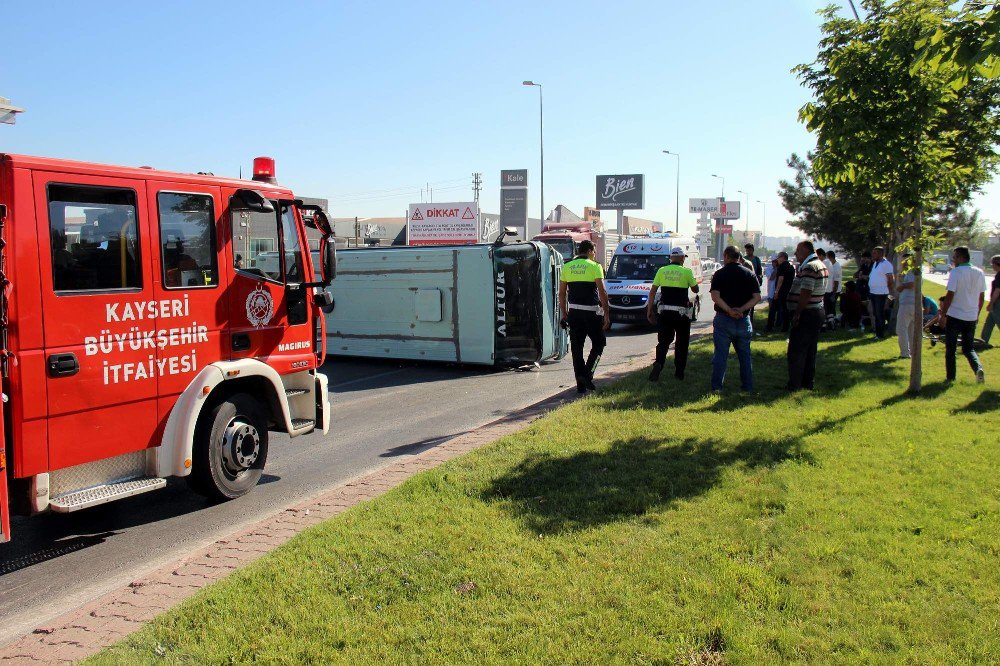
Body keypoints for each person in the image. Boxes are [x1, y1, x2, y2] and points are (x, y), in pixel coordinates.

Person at [559, 240, 610, 393]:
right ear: (589, 251)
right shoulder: (595, 266)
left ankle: (580, 385)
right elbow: (602, 292)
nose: (594, 255)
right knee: (599, 343)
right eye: (594, 252)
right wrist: (606, 314)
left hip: (574, 312)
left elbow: (562, 293)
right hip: (592, 313)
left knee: (577, 348)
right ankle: (588, 375)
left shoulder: (567, 267)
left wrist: (564, 313)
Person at [709, 246, 761, 392]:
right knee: (745, 356)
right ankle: (747, 387)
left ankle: (717, 387)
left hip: (724, 319)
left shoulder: (720, 274)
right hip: (743, 320)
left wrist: (728, 310)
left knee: (721, 355)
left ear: (726, 256)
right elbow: (757, 297)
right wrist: (742, 309)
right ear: (739, 257)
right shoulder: (750, 274)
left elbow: (715, 296)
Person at [646, 247, 699, 381]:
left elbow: (652, 292)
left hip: (664, 312)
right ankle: (679, 372)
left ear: (671, 258)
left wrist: (649, 311)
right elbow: (695, 289)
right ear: (682, 258)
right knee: (682, 343)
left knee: (663, 342)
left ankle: (659, 363)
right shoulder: (686, 271)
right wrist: (691, 283)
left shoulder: (662, 271)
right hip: (681, 314)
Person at [786, 240, 829, 391]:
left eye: (797, 251)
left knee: (797, 350)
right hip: (815, 311)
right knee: (810, 350)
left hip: (807, 313)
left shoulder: (810, 267)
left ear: (805, 250)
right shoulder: (818, 264)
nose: (796, 254)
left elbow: (806, 292)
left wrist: (797, 313)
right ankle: (807, 382)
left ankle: (795, 384)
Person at [939, 246, 987, 383]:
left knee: (951, 348)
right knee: (968, 348)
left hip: (955, 315)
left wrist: (943, 314)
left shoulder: (957, 272)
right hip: (971, 316)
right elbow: (981, 296)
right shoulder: (979, 272)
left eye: (954, 257)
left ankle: (950, 377)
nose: (953, 260)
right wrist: (977, 313)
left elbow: (950, 295)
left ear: (961, 258)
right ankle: (978, 368)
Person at [868, 246, 894, 339]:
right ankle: (877, 333)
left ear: (880, 254)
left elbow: (890, 280)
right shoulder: (875, 263)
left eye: (875, 253)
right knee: (875, 314)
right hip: (873, 293)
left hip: (881, 293)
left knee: (880, 314)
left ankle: (880, 334)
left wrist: (890, 295)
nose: (873, 255)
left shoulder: (886, 264)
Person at [895, 253, 917, 359]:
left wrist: (902, 286)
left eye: (905, 261)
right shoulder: (908, 272)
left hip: (908, 303)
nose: (903, 263)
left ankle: (904, 352)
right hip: (910, 303)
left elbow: (913, 284)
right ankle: (913, 351)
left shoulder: (912, 271)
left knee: (901, 328)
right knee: (910, 329)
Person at [767, 251, 795, 332]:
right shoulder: (791, 267)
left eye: (778, 257)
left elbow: (781, 279)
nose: (777, 260)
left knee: (773, 309)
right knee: (785, 309)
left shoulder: (782, 266)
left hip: (780, 292)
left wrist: (776, 291)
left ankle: (770, 326)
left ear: (783, 257)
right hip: (787, 291)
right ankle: (785, 326)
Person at [979, 255, 1000, 346]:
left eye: (992, 264)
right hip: (996, 302)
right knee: (989, 322)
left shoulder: (999, 275)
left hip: (997, 302)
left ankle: (983, 341)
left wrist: (991, 303)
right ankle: (983, 341)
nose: (992, 266)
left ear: (997, 264)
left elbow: (997, 290)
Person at [828, 250, 842, 315]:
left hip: (835, 291)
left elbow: (836, 282)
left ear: (830, 258)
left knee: (832, 307)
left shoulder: (836, 267)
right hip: (831, 289)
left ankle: (833, 321)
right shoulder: (831, 265)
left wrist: (833, 294)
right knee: (830, 307)